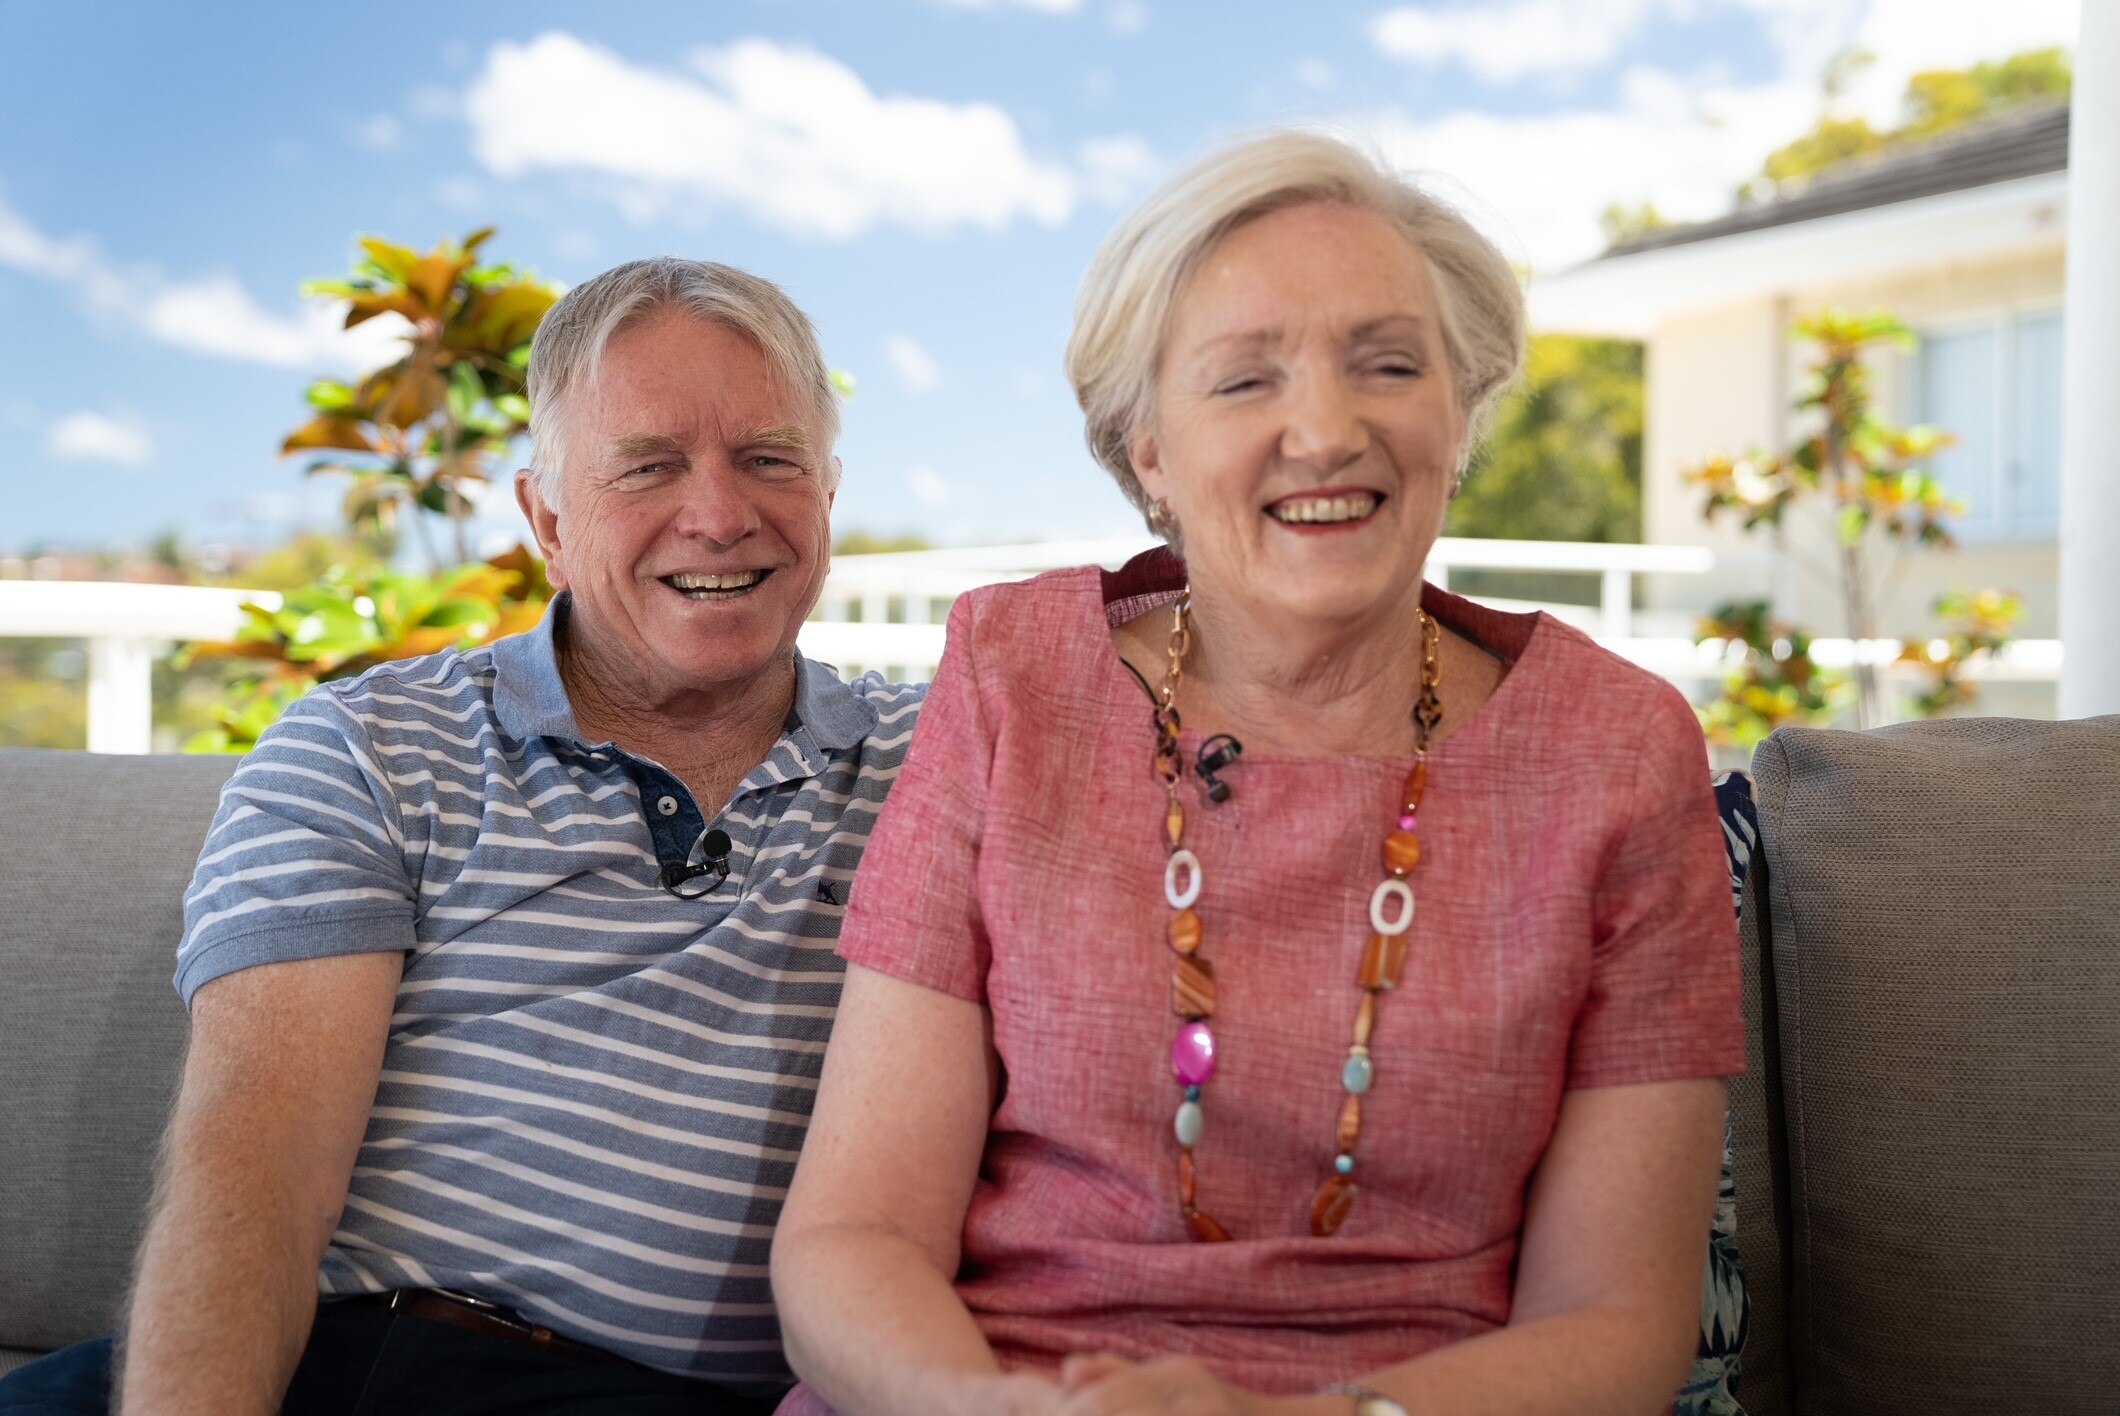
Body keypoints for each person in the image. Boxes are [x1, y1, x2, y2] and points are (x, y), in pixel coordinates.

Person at [769, 131, 1744, 1416]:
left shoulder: (1614, 749)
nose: (1326, 430)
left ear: (1459, 415)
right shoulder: (1012, 676)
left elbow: (1614, 1322)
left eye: (1388, 365)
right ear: (1148, 453)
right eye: (1243, 382)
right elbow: (852, 1238)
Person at [0, 258, 921, 1416]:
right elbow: (259, 1171)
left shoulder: (934, 764)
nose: (720, 514)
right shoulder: (369, 747)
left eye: (768, 460)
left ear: (827, 495)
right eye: (647, 465)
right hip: (322, 1368)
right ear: (544, 517)